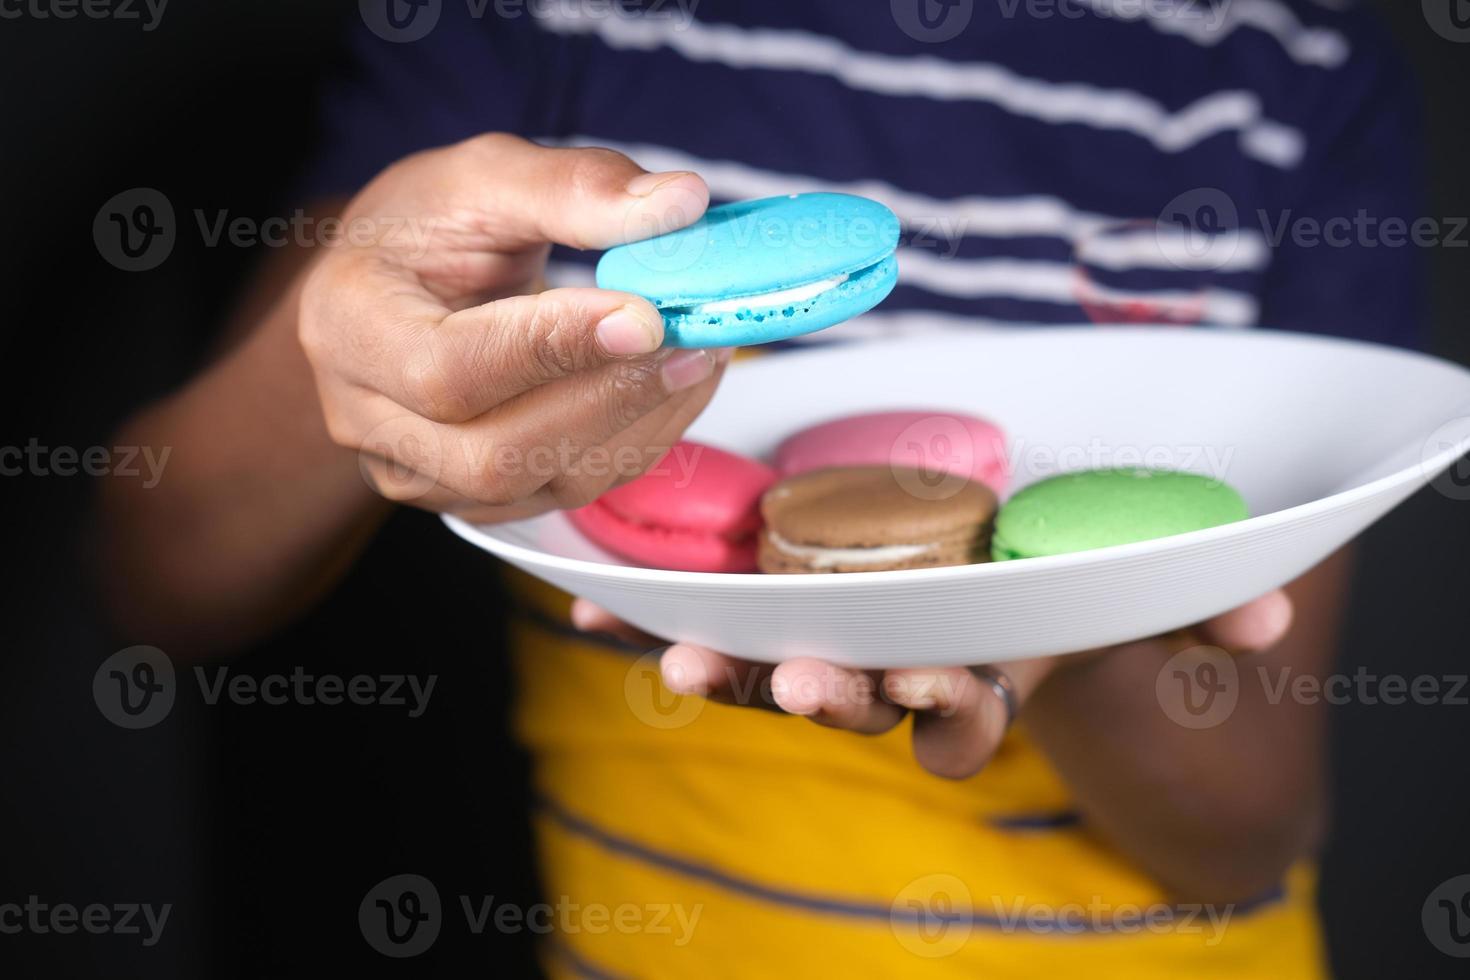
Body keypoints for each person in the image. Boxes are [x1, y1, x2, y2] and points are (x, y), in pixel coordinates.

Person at [99, 2, 1422, 975]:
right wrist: (341, 355)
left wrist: (1056, 603)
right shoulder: (532, 27)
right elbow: (163, 574)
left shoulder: (1295, 72)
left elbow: (1245, 826)